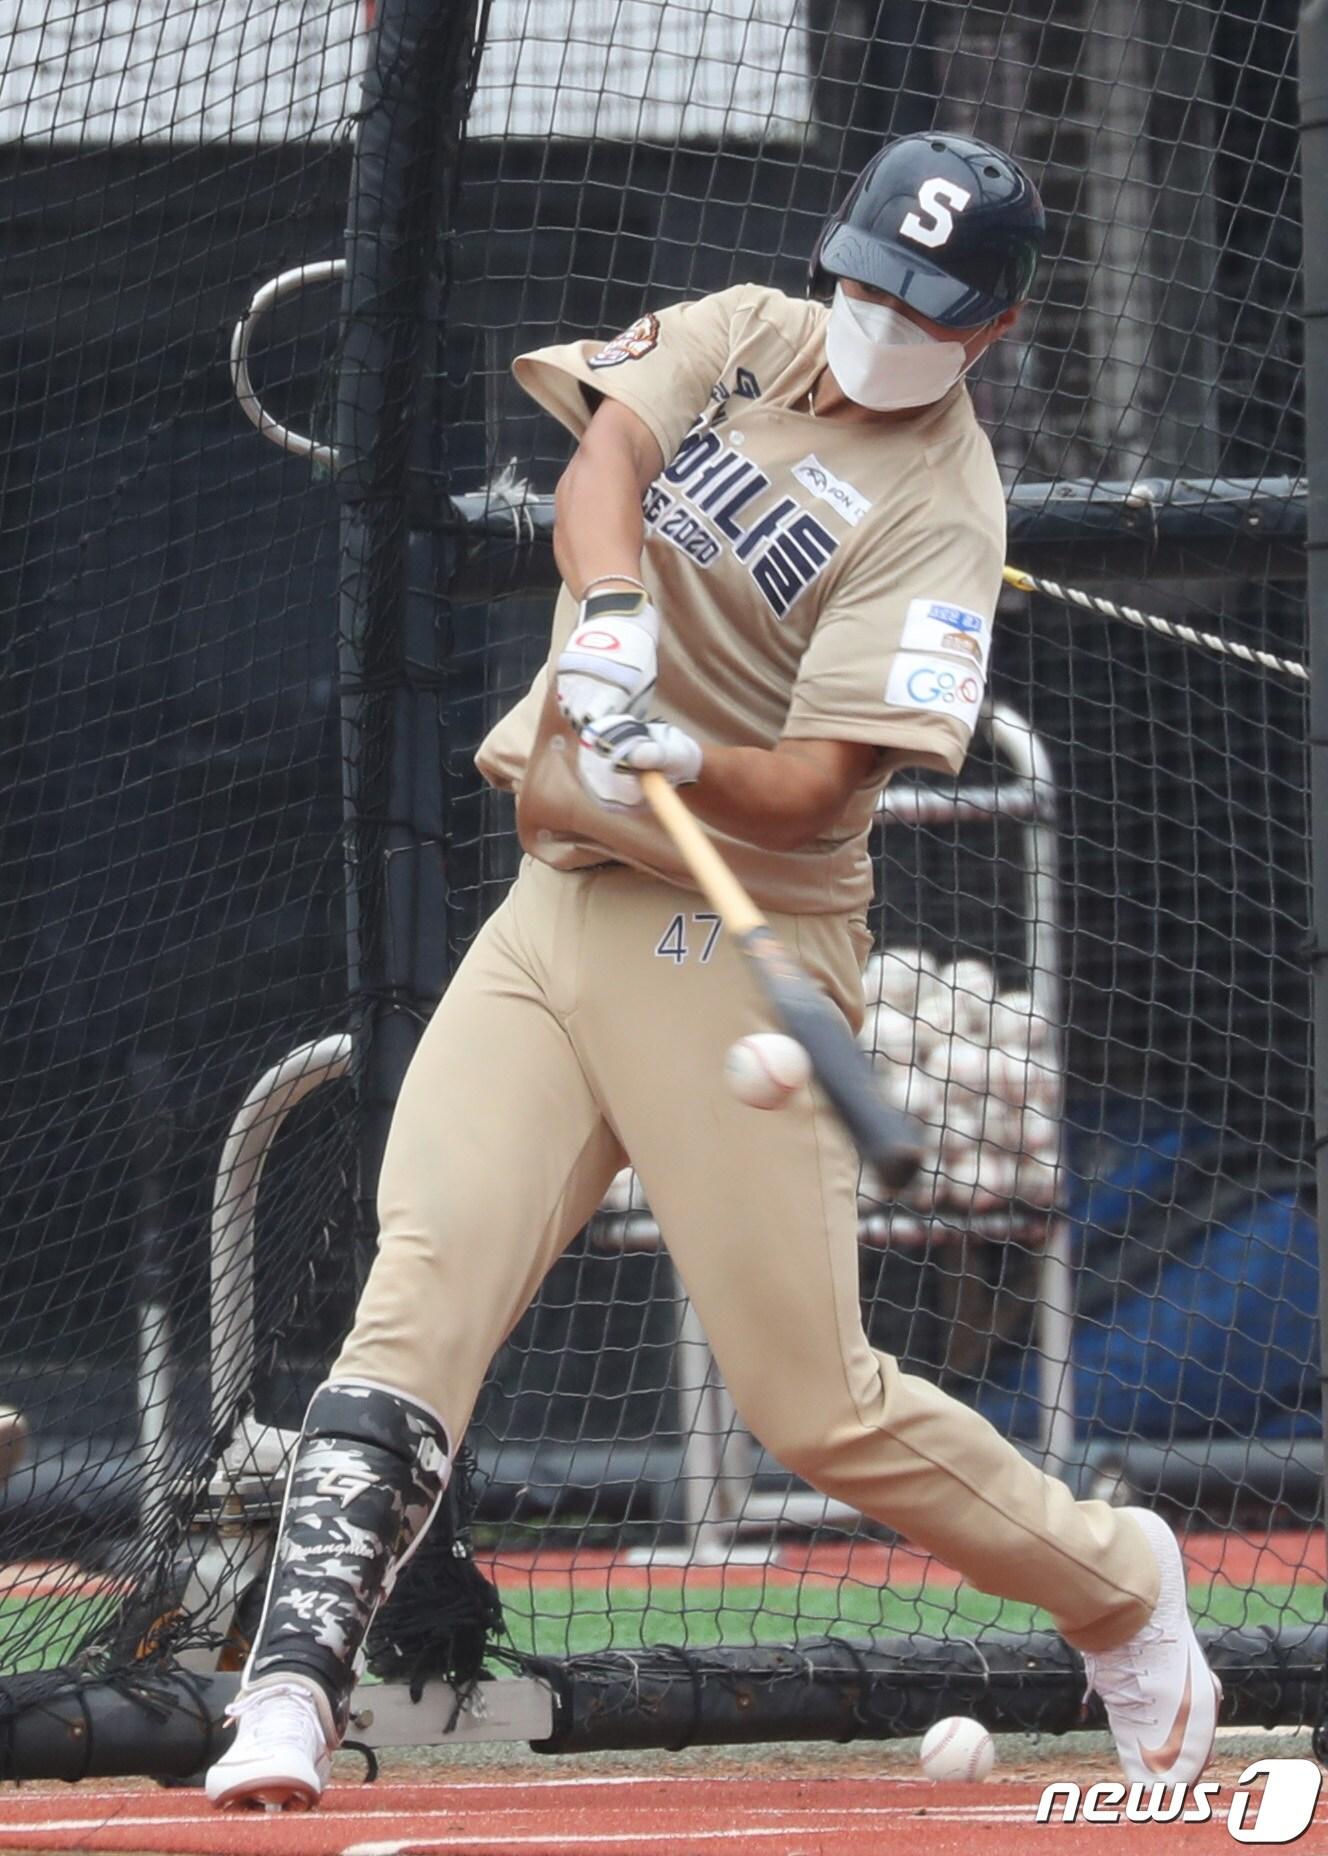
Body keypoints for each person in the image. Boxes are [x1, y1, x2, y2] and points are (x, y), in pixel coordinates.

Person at [206, 132, 1219, 1810]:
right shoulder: (753, 326)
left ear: (995, 328)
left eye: (923, 303)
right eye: (869, 276)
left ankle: (1122, 1581)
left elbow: (826, 784)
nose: (876, 316)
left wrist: (681, 740)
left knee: (815, 1407)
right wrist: (610, 611)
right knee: (425, 1279)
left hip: (734, 936)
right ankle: (294, 1690)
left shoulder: (943, 513)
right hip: (554, 911)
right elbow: (611, 450)